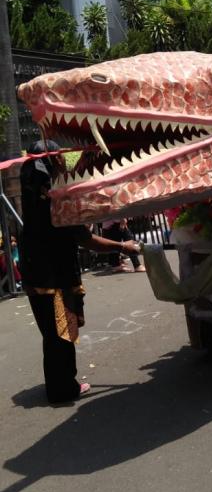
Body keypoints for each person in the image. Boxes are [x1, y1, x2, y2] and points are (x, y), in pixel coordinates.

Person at [19, 140, 142, 405]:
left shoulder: (32, 194)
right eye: (61, 159)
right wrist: (124, 246)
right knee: (61, 333)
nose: (65, 163)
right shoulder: (58, 199)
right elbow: (86, 239)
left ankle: (60, 382)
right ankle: (63, 389)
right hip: (56, 275)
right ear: (55, 161)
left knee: (52, 332)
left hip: (35, 274)